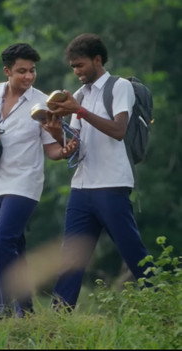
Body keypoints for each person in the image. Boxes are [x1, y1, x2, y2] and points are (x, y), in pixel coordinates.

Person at [0, 42, 77, 319]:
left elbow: (52, 151)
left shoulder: (41, 103)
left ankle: (5, 308)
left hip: (25, 182)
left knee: (1, 240)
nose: (29, 76)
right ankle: (25, 311)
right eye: (22, 71)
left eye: (32, 70)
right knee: (14, 245)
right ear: (7, 71)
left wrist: (64, 148)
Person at [47, 33, 152, 310]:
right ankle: (57, 318)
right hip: (82, 185)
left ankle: (161, 304)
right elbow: (76, 145)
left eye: (80, 65)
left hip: (111, 184)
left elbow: (118, 130)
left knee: (132, 250)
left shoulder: (120, 87)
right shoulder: (80, 95)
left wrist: (79, 110)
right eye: (73, 67)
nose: (76, 71)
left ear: (97, 60)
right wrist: (57, 133)